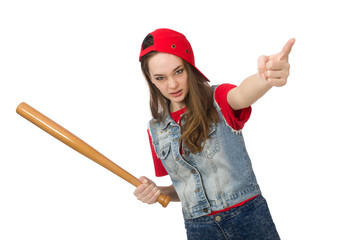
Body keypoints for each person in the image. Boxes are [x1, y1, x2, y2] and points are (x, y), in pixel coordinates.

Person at [134, 28, 295, 240]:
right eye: (160, 77)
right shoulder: (156, 129)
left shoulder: (218, 99)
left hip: (248, 219)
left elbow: (242, 94)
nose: (172, 84)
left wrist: (265, 77)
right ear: (150, 80)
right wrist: (158, 192)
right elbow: (186, 186)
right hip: (200, 230)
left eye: (178, 71)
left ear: (189, 66)